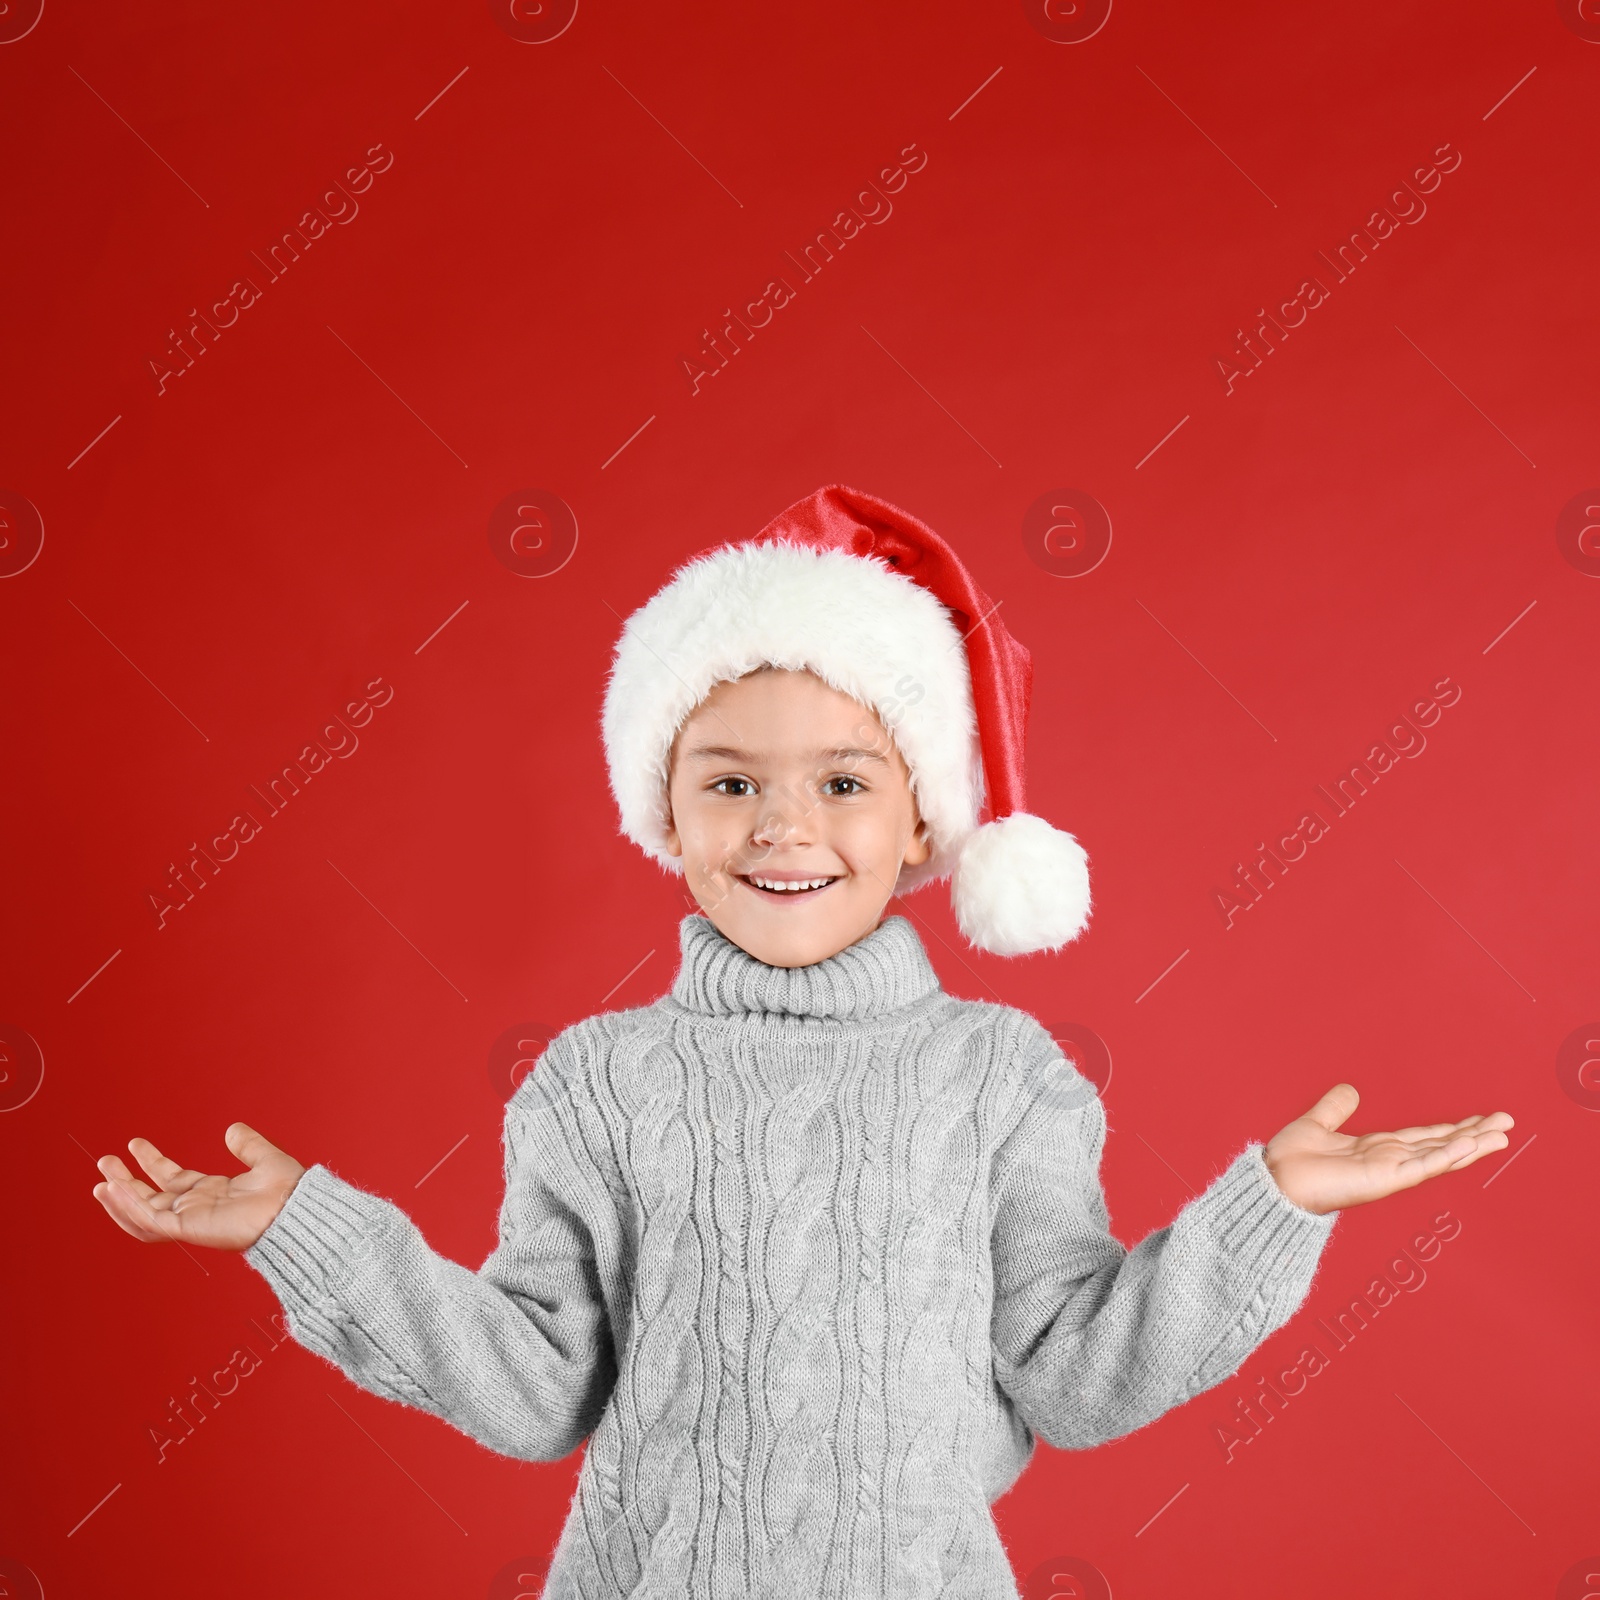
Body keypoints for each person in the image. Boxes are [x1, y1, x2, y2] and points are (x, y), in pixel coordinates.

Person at [93, 485, 1514, 1599]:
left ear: (920, 825)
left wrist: (1268, 1211)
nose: (782, 825)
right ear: (667, 812)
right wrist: (312, 1230)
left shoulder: (1005, 1078)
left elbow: (1076, 1378)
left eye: (842, 779)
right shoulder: (595, 1083)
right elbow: (533, 1393)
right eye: (730, 782)